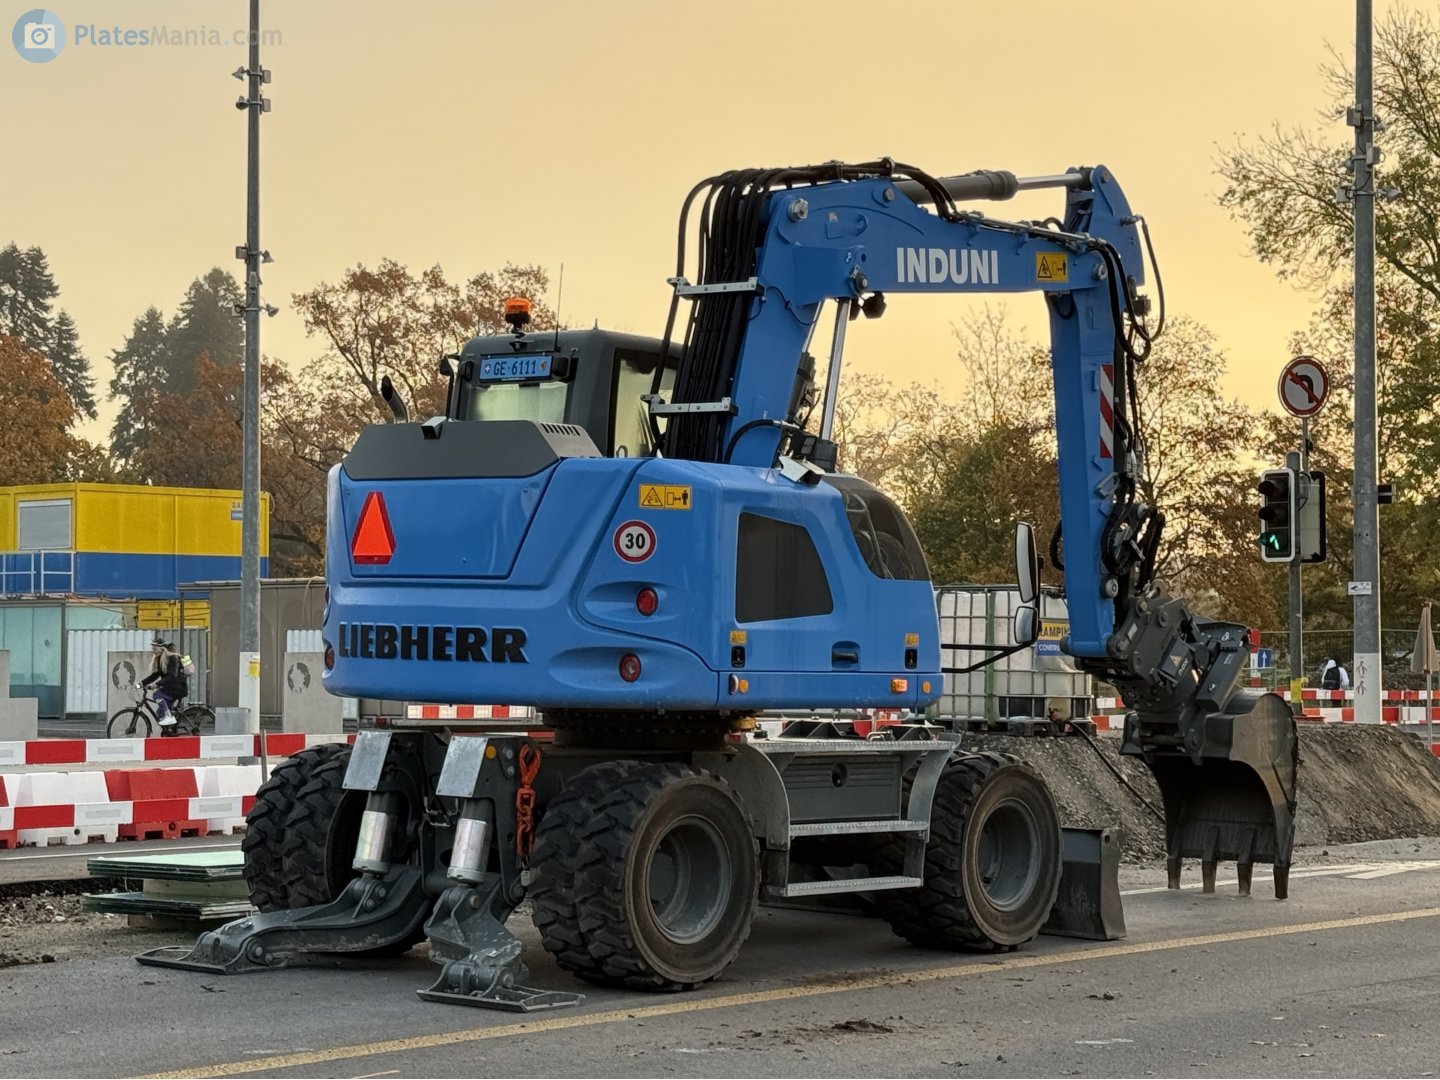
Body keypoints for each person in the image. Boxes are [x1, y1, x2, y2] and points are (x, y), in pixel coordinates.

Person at [141, 638, 189, 727]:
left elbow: (172, 676)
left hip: (177, 688)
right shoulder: (161, 660)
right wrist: (142, 683)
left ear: (162, 648)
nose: (154, 651)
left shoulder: (173, 658)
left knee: (157, 695)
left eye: (155, 649)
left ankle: (169, 717)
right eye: (153, 649)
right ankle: (170, 732)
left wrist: (156, 684)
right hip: (170, 688)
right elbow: (155, 675)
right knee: (160, 713)